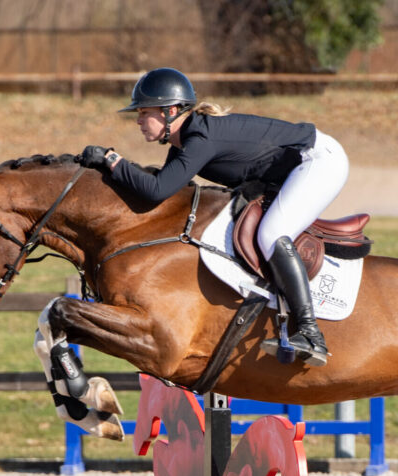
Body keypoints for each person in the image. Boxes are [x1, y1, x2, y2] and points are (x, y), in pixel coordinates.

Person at [79, 67, 349, 367]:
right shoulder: (186, 140)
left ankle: (311, 333)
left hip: (319, 161)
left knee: (271, 234)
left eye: (144, 113)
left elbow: (157, 190)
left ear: (170, 111)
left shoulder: (200, 137)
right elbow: (157, 192)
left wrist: (111, 160)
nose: (139, 121)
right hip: (296, 165)